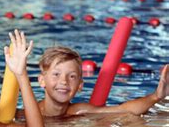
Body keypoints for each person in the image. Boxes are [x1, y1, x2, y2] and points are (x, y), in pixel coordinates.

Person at [37, 46, 168, 117]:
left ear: (80, 85)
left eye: (71, 76)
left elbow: (124, 109)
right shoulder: (31, 112)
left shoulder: (77, 110)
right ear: (42, 81)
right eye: (56, 74)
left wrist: (156, 96)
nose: (64, 81)